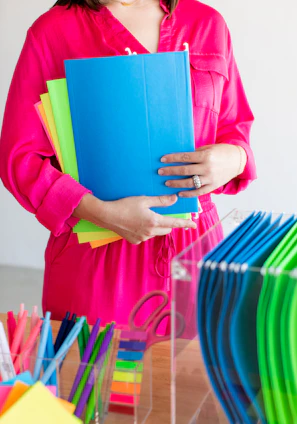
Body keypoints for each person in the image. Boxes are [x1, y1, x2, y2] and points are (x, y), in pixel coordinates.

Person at [0, 0, 256, 325]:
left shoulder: (207, 23)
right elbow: (20, 158)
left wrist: (234, 159)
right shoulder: (52, 31)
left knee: (191, 372)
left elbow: (235, 126)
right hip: (97, 253)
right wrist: (99, 211)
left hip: (194, 247)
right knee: (93, 373)